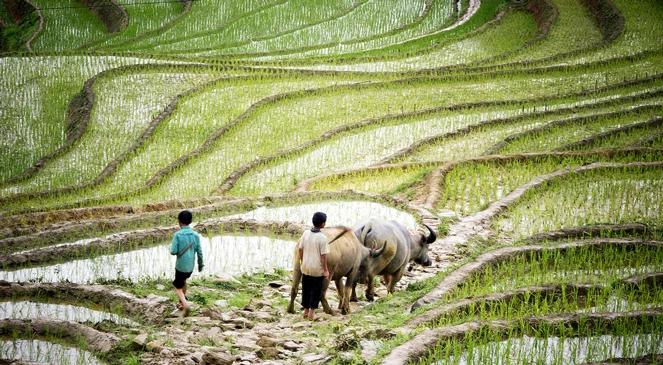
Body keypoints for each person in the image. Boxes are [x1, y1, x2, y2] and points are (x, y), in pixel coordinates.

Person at [170, 210, 204, 315]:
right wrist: (200, 265)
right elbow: (199, 252)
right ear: (190, 221)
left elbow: (173, 251)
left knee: (177, 286)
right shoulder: (195, 235)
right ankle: (181, 303)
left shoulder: (177, 235)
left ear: (179, 221)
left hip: (180, 266)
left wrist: (169, 247)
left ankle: (185, 304)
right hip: (190, 267)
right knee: (183, 281)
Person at [299, 212, 330, 321]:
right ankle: (311, 313)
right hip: (317, 270)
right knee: (315, 291)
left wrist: (303, 261)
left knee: (306, 289)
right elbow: (323, 256)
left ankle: (306, 310)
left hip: (306, 267)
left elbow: (300, 249)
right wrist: (325, 270)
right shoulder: (322, 238)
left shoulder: (306, 233)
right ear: (323, 224)